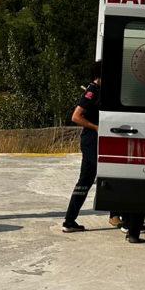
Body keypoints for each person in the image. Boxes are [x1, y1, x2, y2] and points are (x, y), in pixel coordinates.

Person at [62, 63, 104, 233]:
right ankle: (69, 220)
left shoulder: (98, 90)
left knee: (86, 181)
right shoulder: (92, 91)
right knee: (98, 177)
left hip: (94, 141)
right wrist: (96, 127)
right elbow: (76, 117)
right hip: (91, 141)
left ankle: (70, 220)